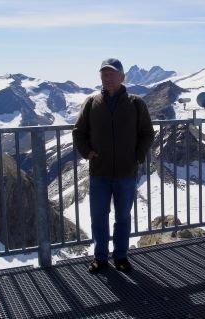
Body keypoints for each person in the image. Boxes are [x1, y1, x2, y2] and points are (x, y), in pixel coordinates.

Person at [72, 58, 154, 273]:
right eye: (104, 74)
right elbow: (79, 132)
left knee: (123, 218)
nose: (107, 78)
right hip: (99, 172)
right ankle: (100, 258)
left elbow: (147, 133)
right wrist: (86, 152)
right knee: (99, 217)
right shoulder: (91, 103)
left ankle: (121, 256)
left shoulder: (136, 103)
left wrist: (137, 156)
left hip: (126, 173)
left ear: (122, 77)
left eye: (112, 74)